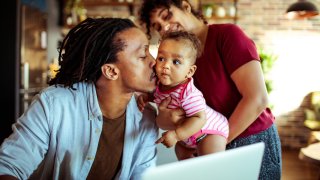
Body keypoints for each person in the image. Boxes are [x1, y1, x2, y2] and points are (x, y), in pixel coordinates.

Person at [138, 0, 282, 179]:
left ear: (185, 6)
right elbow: (174, 112)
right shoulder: (176, 60)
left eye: (167, 16)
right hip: (207, 144)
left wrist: (215, 144)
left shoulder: (227, 36)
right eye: (158, 26)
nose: (166, 27)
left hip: (251, 140)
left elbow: (257, 99)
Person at [0, 18, 158, 179]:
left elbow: (143, 176)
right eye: (143, 56)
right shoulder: (54, 105)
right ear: (111, 71)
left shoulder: (147, 117)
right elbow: (8, 168)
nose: (154, 62)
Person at [138, 31, 229, 160]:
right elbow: (158, 95)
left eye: (176, 62)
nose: (166, 66)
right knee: (181, 154)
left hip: (208, 132)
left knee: (209, 165)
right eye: (161, 58)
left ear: (189, 71)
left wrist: (176, 135)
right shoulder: (159, 84)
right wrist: (147, 97)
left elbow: (199, 118)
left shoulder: (188, 93)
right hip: (186, 136)